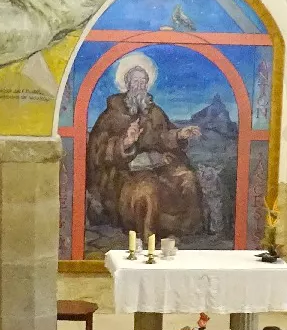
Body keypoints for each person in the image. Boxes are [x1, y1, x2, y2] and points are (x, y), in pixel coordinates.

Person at [87, 59, 205, 238]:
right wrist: (125, 142)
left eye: (144, 82)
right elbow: (97, 150)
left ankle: (184, 233)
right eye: (136, 81)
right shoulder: (111, 115)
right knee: (147, 192)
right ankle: (148, 241)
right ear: (127, 84)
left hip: (158, 166)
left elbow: (162, 137)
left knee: (187, 179)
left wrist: (179, 134)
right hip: (125, 171)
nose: (140, 86)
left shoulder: (154, 112)